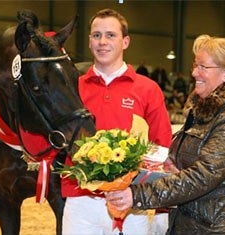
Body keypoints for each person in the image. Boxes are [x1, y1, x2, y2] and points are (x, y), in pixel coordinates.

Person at [106, 34, 225, 235]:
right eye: (195, 65)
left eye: (203, 67)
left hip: (224, 224)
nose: (195, 73)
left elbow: (202, 177)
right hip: (196, 220)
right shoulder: (202, 113)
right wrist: (173, 167)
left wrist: (137, 195)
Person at [61, 8, 173, 235]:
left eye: (111, 35)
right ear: (90, 41)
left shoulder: (148, 89)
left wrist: (157, 204)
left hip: (132, 202)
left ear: (126, 42)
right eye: (96, 35)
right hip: (81, 202)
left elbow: (160, 147)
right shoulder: (72, 89)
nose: (102, 42)